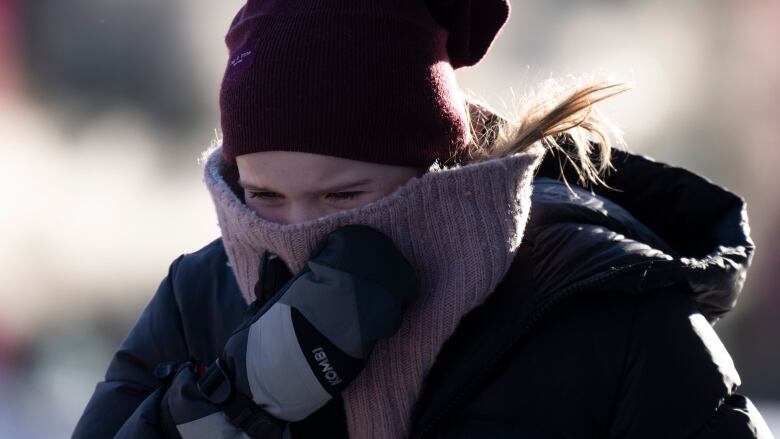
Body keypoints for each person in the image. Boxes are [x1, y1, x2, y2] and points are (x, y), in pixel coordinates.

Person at [73, 0, 773, 438]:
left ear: (434, 168)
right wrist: (216, 408)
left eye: (344, 197)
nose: (299, 230)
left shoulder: (606, 308)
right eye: (264, 197)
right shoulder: (201, 300)